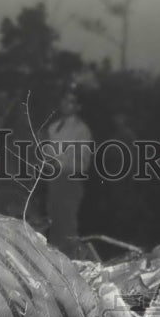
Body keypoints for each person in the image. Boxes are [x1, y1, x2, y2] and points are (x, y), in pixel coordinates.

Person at [43, 88, 92, 255]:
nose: (66, 104)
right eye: (64, 100)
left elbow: (83, 163)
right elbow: (47, 154)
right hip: (53, 183)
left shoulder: (81, 130)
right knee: (53, 227)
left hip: (70, 183)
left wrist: (60, 164)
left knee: (68, 231)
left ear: (77, 106)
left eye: (71, 101)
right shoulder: (53, 127)